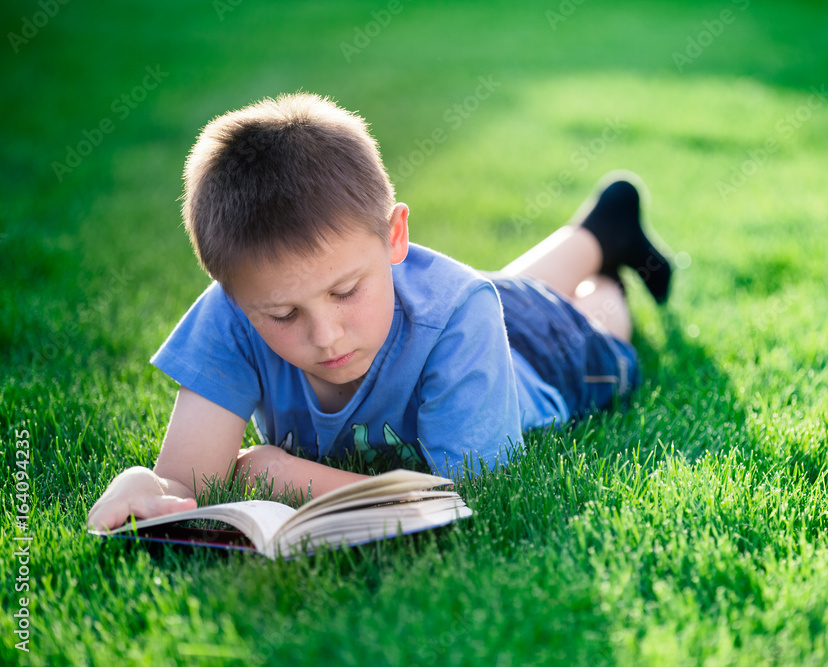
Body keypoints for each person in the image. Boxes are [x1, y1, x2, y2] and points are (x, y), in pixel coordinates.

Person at [87, 93, 672, 531]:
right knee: (489, 293)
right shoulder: (234, 313)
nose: (326, 334)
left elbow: (467, 496)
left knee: (595, 328)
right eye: (283, 315)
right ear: (234, 297)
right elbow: (187, 481)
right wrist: (147, 485)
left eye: (345, 292)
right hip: (456, 307)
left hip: (538, 355)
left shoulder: (459, 314)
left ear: (395, 238)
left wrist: (274, 469)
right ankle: (602, 226)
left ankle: (604, 265)